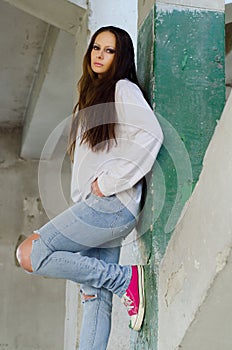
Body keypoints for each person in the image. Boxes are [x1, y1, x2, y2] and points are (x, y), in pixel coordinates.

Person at [16, 26, 163, 349]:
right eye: (97, 47)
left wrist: (110, 182)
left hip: (109, 206)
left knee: (30, 253)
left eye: (109, 50)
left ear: (120, 57)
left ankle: (125, 279)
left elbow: (151, 134)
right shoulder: (92, 97)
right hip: (99, 210)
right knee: (94, 299)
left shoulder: (123, 89)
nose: (99, 54)